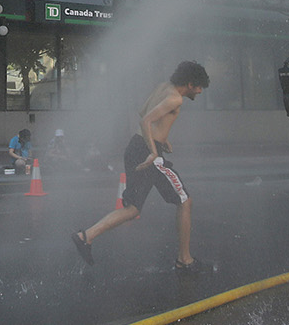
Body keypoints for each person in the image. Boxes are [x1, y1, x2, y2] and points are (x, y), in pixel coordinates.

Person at [72, 61, 209, 271]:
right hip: (147, 153)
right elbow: (146, 120)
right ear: (190, 84)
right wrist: (154, 150)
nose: (199, 92)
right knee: (185, 201)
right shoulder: (175, 98)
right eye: (199, 87)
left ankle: (85, 236)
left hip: (135, 147)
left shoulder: (164, 87)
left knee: (132, 208)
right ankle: (184, 259)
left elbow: (143, 111)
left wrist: (162, 139)